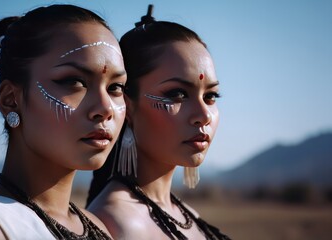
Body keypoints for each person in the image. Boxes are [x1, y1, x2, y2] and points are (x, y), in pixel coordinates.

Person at [0, 4, 127, 239]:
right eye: (74, 81)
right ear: (11, 100)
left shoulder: (97, 227)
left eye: (116, 87)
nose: (105, 108)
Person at [87, 5, 231, 240]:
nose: (204, 115)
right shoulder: (117, 223)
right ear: (127, 106)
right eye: (178, 94)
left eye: (210, 96)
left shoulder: (185, 214)